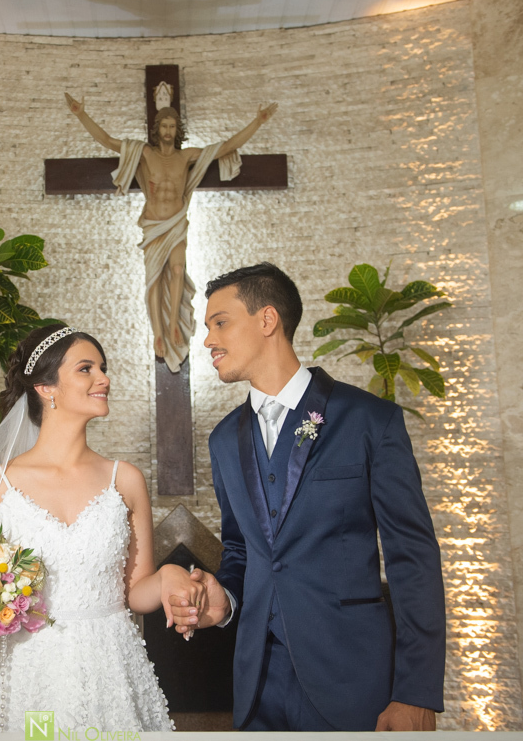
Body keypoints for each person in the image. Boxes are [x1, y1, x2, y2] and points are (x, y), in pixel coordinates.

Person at [168, 263, 446, 732]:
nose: (208, 341)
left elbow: (412, 559)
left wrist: (416, 692)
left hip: (353, 681)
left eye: (220, 322)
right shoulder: (222, 441)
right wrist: (224, 598)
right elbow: (240, 550)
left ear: (267, 320)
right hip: (256, 686)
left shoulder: (370, 422)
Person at [0, 324, 202, 732]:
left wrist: (169, 576)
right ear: (45, 388)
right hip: (25, 673)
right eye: (87, 369)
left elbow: (136, 592)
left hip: (111, 669)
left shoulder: (126, 480)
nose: (104, 378)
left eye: (103, 368)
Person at [65, 92, 277, 372]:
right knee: (153, 280)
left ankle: (175, 322)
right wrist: (81, 114)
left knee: (177, 271)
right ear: (157, 130)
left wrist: (258, 122)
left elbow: (225, 148)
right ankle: (158, 333)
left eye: (172, 126)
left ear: (177, 131)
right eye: (163, 126)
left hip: (176, 223)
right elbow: (108, 141)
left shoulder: (186, 156)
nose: (167, 131)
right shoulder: (145, 153)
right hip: (154, 226)